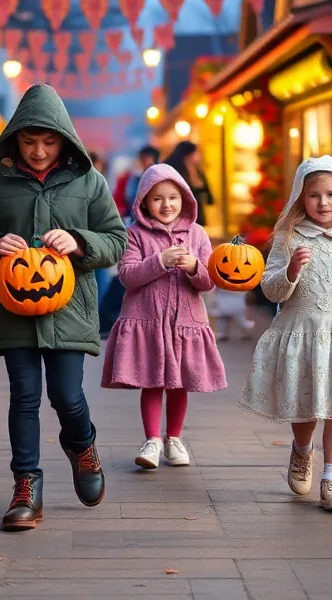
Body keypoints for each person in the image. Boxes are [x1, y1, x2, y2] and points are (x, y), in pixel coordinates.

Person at [0, 84, 127, 532]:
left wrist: (80, 241)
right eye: (29, 141)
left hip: (69, 308)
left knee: (67, 395)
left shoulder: (90, 182)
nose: (38, 151)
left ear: (64, 140)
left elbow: (116, 241)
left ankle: (83, 447)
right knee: (24, 397)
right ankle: (25, 487)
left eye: (48, 142)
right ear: (15, 140)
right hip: (13, 308)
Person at [240, 156, 332, 512]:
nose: (323, 203)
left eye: (331, 194)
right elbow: (270, 290)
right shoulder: (288, 236)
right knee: (304, 406)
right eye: (314, 195)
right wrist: (290, 270)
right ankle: (302, 451)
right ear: (300, 199)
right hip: (300, 333)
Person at [101, 163, 226, 469]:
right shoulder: (134, 234)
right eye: (157, 198)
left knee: (179, 383)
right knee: (152, 381)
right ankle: (152, 440)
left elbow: (209, 281)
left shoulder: (197, 234)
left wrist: (195, 266)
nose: (166, 204)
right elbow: (128, 276)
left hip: (185, 323)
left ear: (185, 199)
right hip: (149, 322)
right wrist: (159, 261)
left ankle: (174, 438)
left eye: (173, 197)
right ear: (144, 201)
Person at [164, 142, 213, 225]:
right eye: (196, 152)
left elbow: (207, 192)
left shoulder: (197, 171)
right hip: (181, 216)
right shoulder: (176, 171)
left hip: (197, 214)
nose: (199, 155)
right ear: (188, 155)